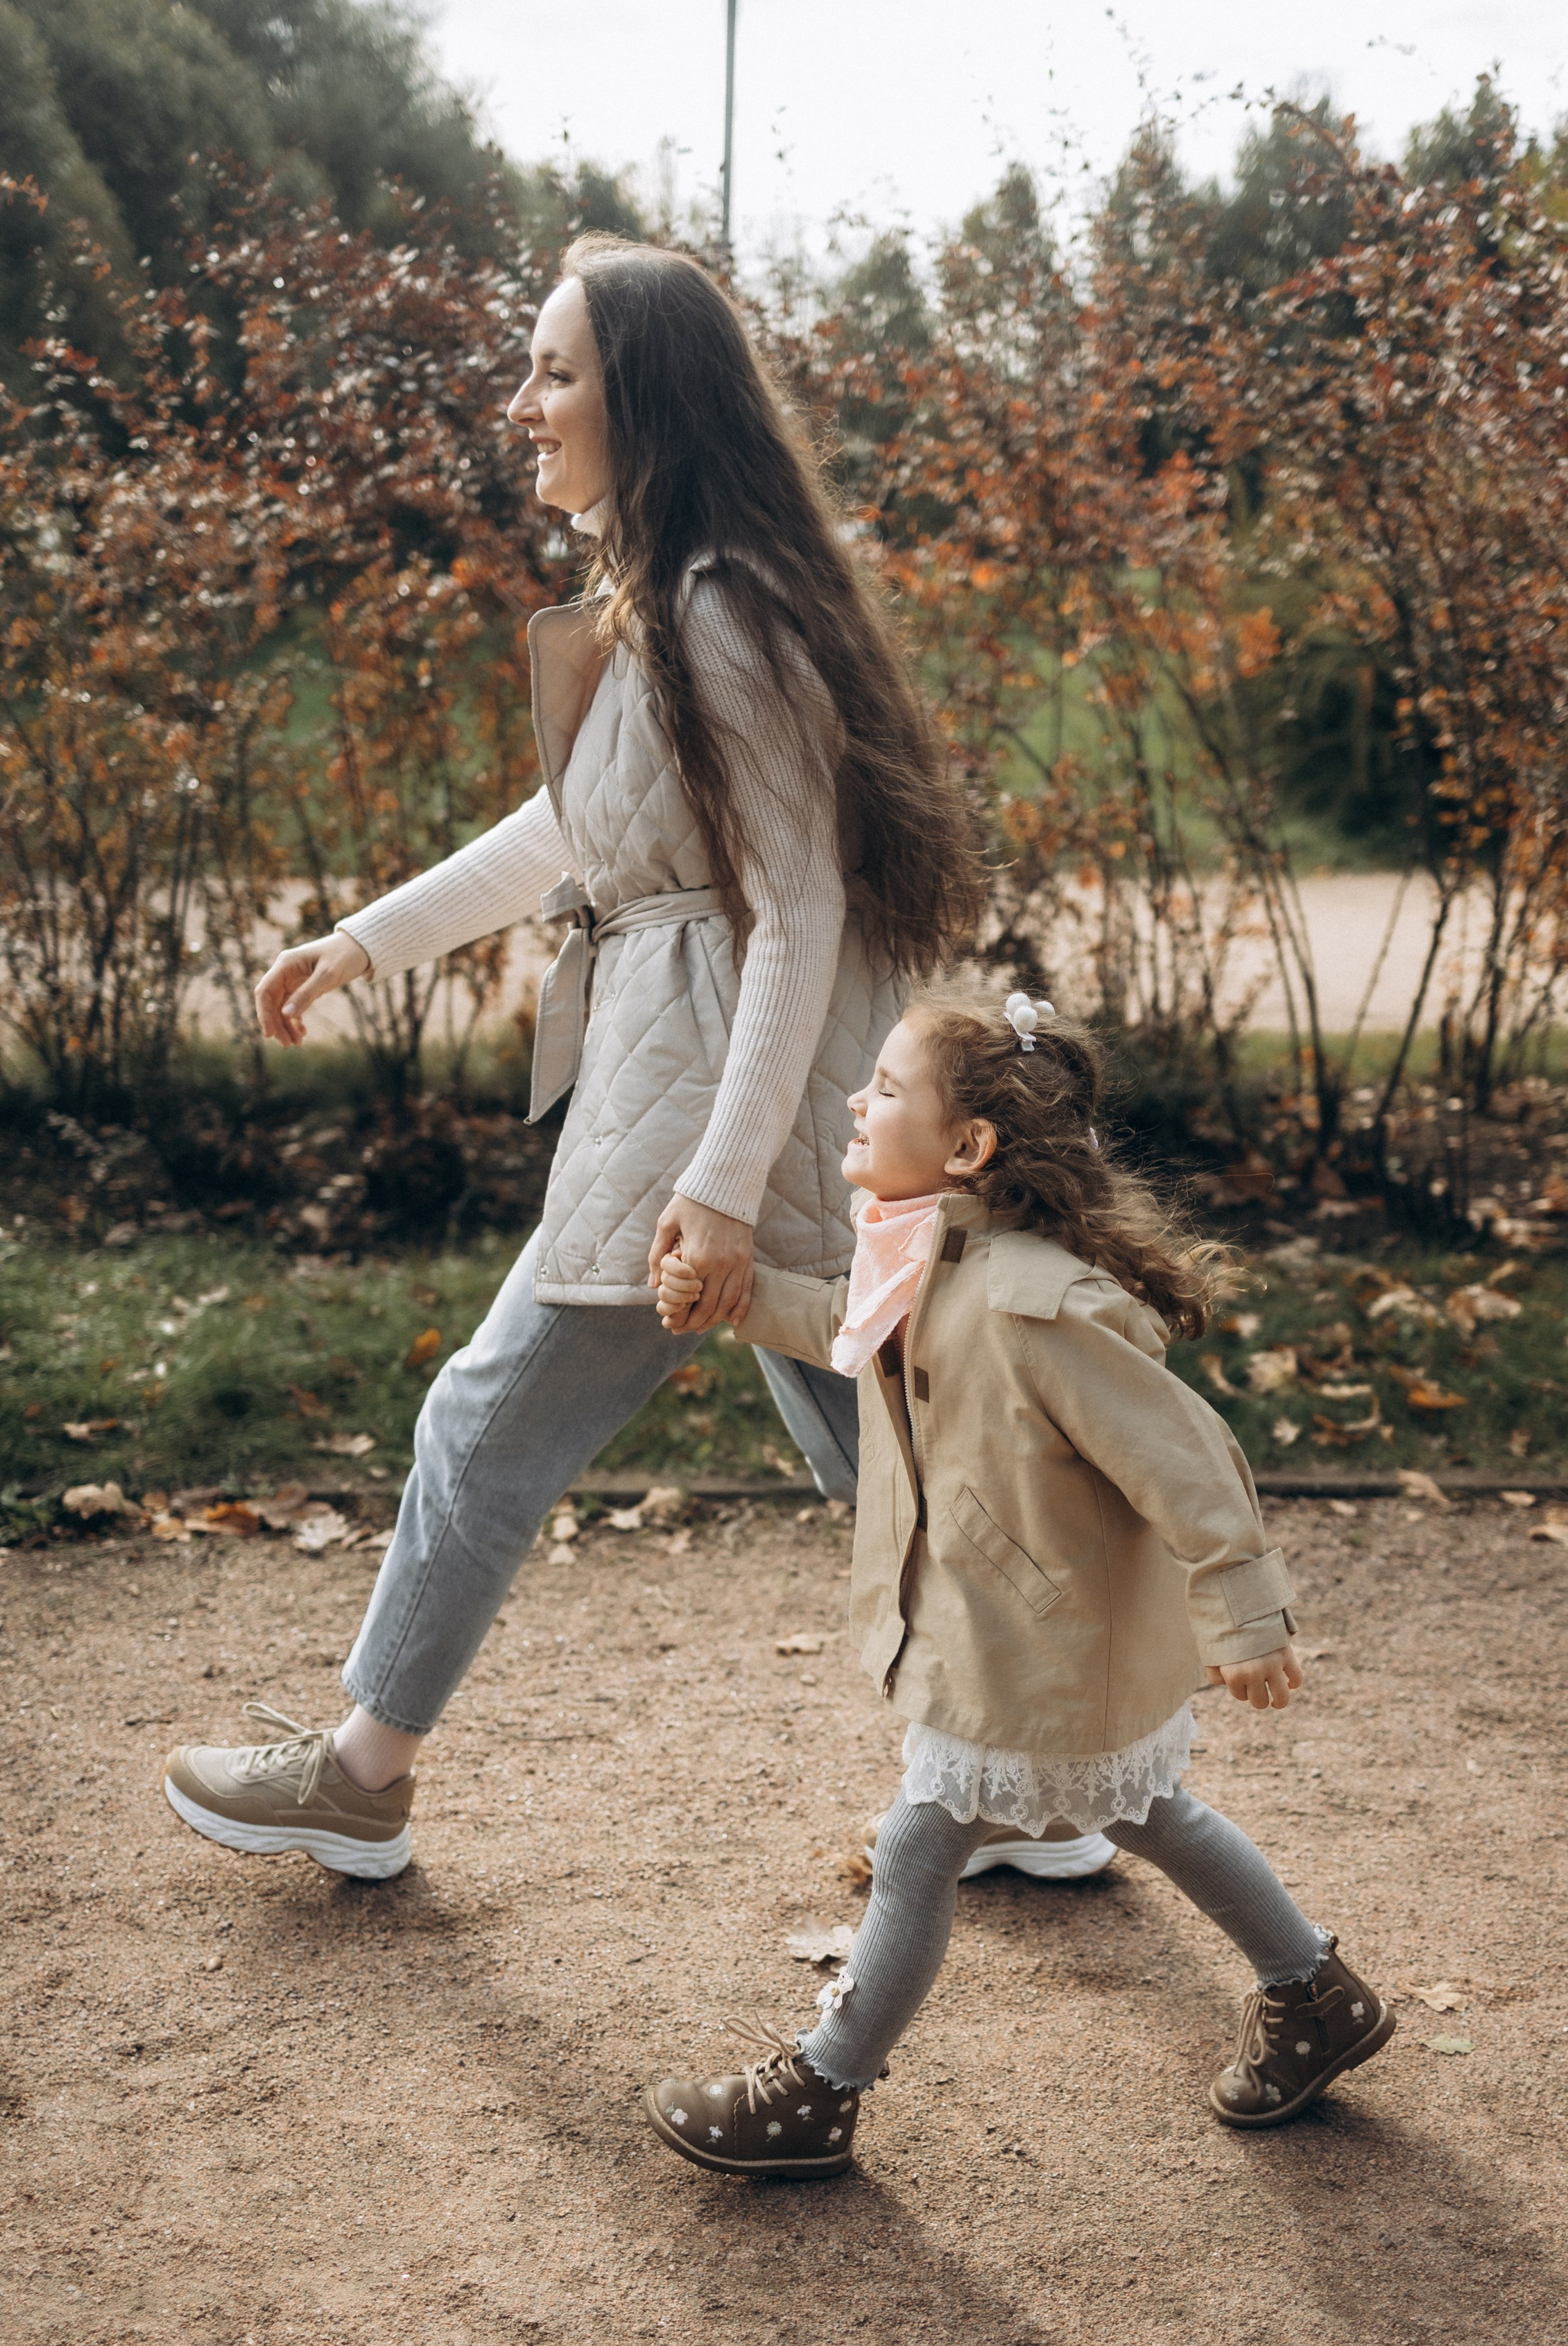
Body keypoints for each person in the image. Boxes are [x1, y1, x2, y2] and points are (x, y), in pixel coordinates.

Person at [160, 235, 975, 1880]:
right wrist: (367, 938)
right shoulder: (672, 601)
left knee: (492, 1420)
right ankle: (1035, 1782)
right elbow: (572, 832)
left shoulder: (721, 612)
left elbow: (797, 904)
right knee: (897, 1451)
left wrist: (720, 1192)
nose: (521, 404)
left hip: (723, 1103)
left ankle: (361, 1775)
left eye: (553, 372)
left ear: (645, 400)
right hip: (727, 1089)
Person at [642, 986, 1395, 2173]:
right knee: (1149, 1813)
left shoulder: (1037, 1305)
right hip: (1013, 1630)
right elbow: (858, 1329)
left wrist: (1245, 1613)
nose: (857, 1095)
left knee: (919, 1845)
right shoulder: (934, 1257)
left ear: (969, 1147)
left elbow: (1187, 1457)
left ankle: (822, 2091)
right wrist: (738, 1301)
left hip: (1035, 1639)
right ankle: (1316, 1994)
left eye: (886, 1087)